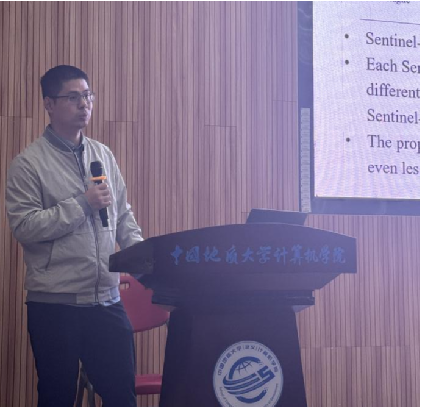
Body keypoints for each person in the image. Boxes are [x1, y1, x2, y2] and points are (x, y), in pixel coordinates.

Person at [6, 65, 142, 407]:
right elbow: (25, 227)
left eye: (87, 96)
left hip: (107, 301)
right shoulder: (28, 164)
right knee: (57, 397)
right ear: (49, 104)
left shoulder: (103, 155)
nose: (84, 104)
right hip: (56, 305)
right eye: (73, 97)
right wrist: (83, 203)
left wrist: (144, 259)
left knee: (122, 396)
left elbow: (123, 216)